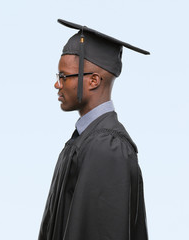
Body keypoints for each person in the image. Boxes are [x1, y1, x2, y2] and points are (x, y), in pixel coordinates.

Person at [38, 19, 149, 240]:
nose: (57, 84)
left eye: (63, 76)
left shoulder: (107, 147)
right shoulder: (85, 140)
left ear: (94, 80)